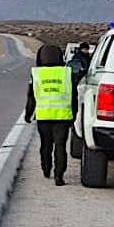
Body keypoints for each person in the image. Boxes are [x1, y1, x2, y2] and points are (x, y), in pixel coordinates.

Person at [25, 44, 73, 186]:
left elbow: (31, 97)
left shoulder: (37, 74)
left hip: (44, 116)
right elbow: (73, 96)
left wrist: (28, 114)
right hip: (63, 116)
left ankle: (46, 168)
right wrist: (75, 114)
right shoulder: (66, 73)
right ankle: (59, 176)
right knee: (60, 146)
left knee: (46, 145)